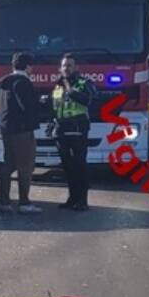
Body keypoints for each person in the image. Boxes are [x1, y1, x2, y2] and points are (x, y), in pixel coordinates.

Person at [0, 52, 42, 214]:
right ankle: (24, 202)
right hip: (22, 130)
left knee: (8, 165)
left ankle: (4, 201)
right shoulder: (22, 82)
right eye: (31, 66)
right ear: (28, 66)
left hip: (6, 128)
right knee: (25, 166)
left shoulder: (5, 83)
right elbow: (27, 107)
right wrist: (41, 105)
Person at [51, 53, 98, 211]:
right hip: (62, 130)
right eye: (64, 65)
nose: (66, 68)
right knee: (67, 167)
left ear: (76, 67)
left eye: (69, 65)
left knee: (80, 166)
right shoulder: (58, 85)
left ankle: (82, 201)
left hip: (78, 129)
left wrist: (69, 89)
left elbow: (87, 100)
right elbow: (56, 106)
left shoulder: (85, 82)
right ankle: (72, 199)